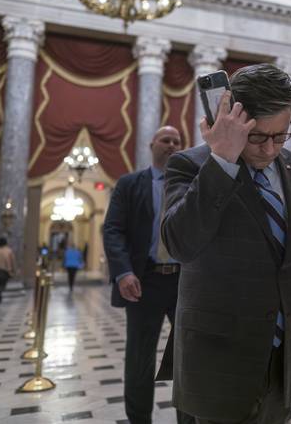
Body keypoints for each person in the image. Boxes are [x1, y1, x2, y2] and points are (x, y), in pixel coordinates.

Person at [163, 63, 291, 424]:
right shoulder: (190, 166)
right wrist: (222, 161)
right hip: (216, 357)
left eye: (281, 136)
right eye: (258, 137)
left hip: (282, 356)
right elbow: (180, 243)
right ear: (234, 119)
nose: (270, 149)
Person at [103, 125, 192, 424]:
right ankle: (139, 419)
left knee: (188, 356)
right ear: (151, 144)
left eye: (177, 142)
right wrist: (123, 272)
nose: (171, 145)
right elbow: (113, 229)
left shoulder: (193, 184)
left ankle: (189, 419)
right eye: (165, 140)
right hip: (144, 280)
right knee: (140, 357)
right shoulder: (130, 184)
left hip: (185, 282)